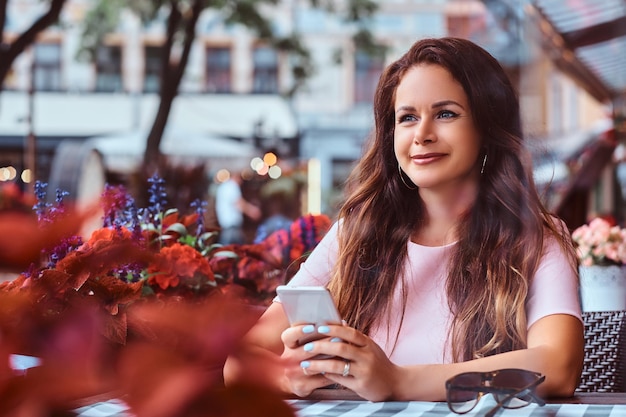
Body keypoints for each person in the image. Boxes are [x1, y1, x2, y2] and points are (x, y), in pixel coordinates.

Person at [223, 37, 584, 402]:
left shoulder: (537, 239)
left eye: (446, 113)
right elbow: (238, 363)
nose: (422, 135)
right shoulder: (356, 234)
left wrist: (398, 381)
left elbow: (559, 366)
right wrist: (288, 376)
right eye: (407, 117)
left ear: (487, 128)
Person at [215, 170, 261, 245]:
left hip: (226, 224)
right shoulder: (232, 186)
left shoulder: (224, 186)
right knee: (234, 249)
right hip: (231, 225)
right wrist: (252, 211)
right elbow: (238, 203)